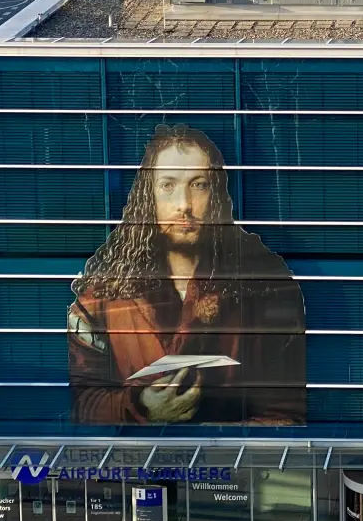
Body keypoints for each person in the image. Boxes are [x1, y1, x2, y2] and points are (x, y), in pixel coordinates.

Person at [67, 124, 307, 425]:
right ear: (148, 197)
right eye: (168, 185)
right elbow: (78, 401)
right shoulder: (102, 296)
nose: (184, 205)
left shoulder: (267, 287)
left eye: (199, 185)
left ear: (217, 194)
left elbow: (287, 411)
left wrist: (214, 442)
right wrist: (141, 408)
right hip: (133, 466)